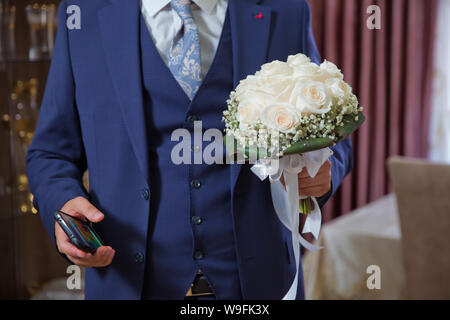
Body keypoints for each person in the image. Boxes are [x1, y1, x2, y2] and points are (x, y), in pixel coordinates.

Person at [26, 0, 353, 300]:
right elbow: (51, 152)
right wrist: (64, 202)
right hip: (129, 280)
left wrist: (324, 169)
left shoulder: (286, 10)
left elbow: (333, 135)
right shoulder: (83, 15)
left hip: (259, 283)